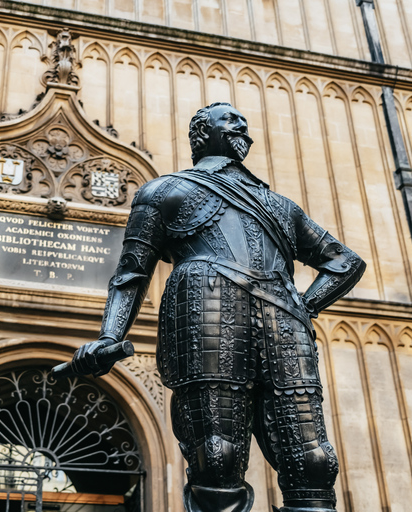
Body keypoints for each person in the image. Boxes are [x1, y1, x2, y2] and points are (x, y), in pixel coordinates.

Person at [65, 102, 366, 512]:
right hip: (207, 321)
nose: (243, 129)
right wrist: (109, 336)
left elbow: (345, 263)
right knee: (216, 455)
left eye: (245, 124)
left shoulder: (281, 207)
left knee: (312, 463)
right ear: (201, 135)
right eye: (231, 122)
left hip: (285, 334)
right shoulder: (165, 191)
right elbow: (131, 273)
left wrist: (300, 306)